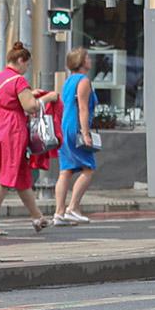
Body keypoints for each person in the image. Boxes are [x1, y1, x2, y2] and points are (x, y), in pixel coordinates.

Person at [0, 41, 58, 236]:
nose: (27, 69)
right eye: (27, 65)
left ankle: (37, 217)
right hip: (12, 129)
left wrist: (30, 94)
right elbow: (30, 107)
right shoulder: (18, 80)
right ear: (21, 60)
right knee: (5, 176)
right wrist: (48, 98)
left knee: (21, 176)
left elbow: (8, 99)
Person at [54, 47, 98, 226]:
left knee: (66, 171)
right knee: (88, 168)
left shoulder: (68, 81)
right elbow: (83, 107)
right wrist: (86, 133)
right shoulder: (83, 81)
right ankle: (73, 207)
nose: (90, 60)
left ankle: (59, 212)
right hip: (75, 128)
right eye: (87, 57)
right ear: (81, 62)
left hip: (65, 127)